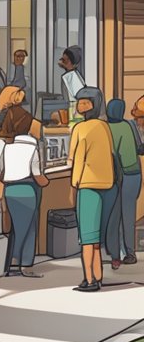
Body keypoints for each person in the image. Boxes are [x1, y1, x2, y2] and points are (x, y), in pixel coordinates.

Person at [0, 100, 49, 278]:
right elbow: (37, 173)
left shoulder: (7, 147)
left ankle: (11, 263)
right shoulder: (32, 146)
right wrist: (45, 182)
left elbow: (0, 171)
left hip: (10, 190)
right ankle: (25, 265)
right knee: (29, 228)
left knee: (15, 228)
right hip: (28, 190)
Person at [69, 87, 115, 291]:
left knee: (87, 237)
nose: (81, 105)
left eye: (85, 102)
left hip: (86, 185)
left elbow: (76, 159)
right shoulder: (105, 127)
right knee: (96, 237)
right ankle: (98, 275)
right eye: (79, 102)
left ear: (93, 105)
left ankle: (89, 280)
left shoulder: (80, 128)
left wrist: (73, 185)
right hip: (106, 184)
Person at [105, 98, 143, 268]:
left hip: (115, 176)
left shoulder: (104, 128)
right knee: (128, 215)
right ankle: (129, 252)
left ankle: (115, 254)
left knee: (114, 215)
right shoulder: (129, 125)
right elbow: (138, 149)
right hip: (133, 174)